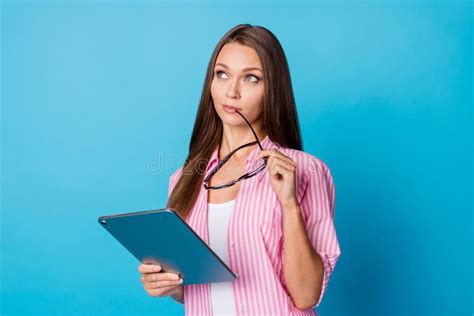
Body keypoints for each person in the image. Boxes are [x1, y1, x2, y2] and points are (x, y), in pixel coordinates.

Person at [138, 23, 341, 315]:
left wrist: (289, 204)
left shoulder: (306, 171)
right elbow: (194, 286)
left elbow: (306, 295)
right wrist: (168, 284)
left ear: (273, 88)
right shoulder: (184, 179)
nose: (231, 92)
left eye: (251, 78)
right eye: (222, 74)